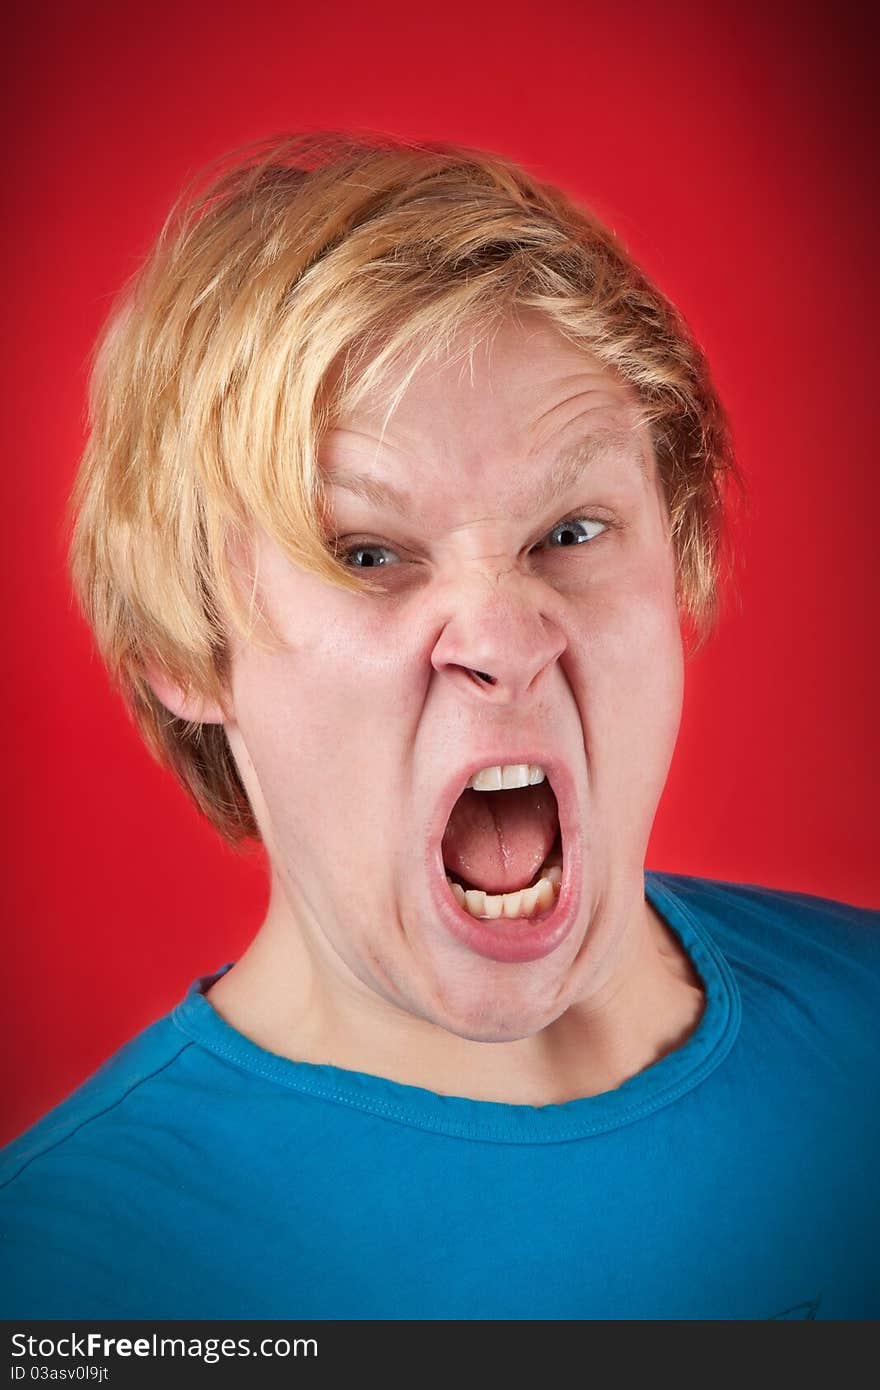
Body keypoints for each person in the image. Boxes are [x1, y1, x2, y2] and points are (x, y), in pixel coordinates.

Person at [1, 132, 877, 1322]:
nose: (506, 640)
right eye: (366, 554)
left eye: (569, 531)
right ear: (184, 648)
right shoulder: (64, 1283)